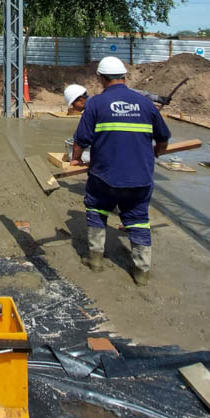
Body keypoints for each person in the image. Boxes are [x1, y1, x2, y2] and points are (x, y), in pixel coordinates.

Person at [70, 55, 170, 286]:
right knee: (137, 219)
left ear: (101, 78)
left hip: (103, 175)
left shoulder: (95, 103)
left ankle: (95, 260)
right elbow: (163, 138)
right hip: (140, 178)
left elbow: (81, 140)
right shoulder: (146, 104)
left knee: (96, 210)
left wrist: (75, 160)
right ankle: (141, 271)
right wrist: (155, 153)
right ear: (125, 76)